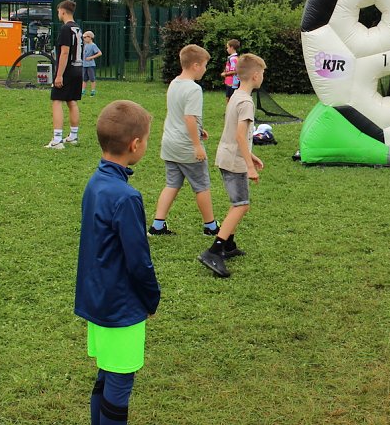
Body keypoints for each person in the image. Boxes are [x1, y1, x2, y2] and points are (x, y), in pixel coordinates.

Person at [75, 99, 160, 425]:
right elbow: (138, 261)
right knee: (120, 380)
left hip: (97, 298)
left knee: (107, 372)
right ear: (135, 145)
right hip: (121, 306)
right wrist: (151, 298)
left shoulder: (96, 182)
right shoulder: (126, 197)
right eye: (147, 139)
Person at [198, 53, 267, 278]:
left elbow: (238, 136)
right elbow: (240, 134)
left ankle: (229, 245)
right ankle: (214, 251)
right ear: (256, 76)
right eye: (263, 73)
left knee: (237, 203)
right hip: (235, 161)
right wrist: (249, 165)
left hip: (227, 156)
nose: (263, 77)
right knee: (241, 205)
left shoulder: (236, 95)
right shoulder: (246, 102)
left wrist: (252, 156)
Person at [147, 44, 219, 237]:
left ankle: (157, 225)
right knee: (202, 186)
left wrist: (199, 130)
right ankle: (211, 227)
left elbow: (179, 114)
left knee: (172, 184)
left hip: (170, 144)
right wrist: (197, 145)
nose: (205, 69)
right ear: (195, 65)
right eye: (204, 65)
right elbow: (189, 118)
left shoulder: (174, 83)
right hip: (186, 147)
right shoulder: (194, 89)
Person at [45, 0, 84, 149]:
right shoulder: (77, 28)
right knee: (72, 101)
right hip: (78, 69)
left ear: (63, 11)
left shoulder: (65, 29)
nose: (58, 14)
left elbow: (65, 52)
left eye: (58, 11)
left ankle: (57, 139)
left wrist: (59, 75)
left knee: (56, 100)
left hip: (67, 70)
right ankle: (73, 136)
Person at [82, 31, 103, 96]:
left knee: (92, 78)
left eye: (85, 37)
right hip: (84, 64)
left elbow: (99, 53)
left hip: (90, 65)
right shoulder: (85, 45)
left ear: (90, 37)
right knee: (84, 78)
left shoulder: (93, 45)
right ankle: (83, 91)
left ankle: (93, 91)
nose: (84, 39)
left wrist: (91, 57)